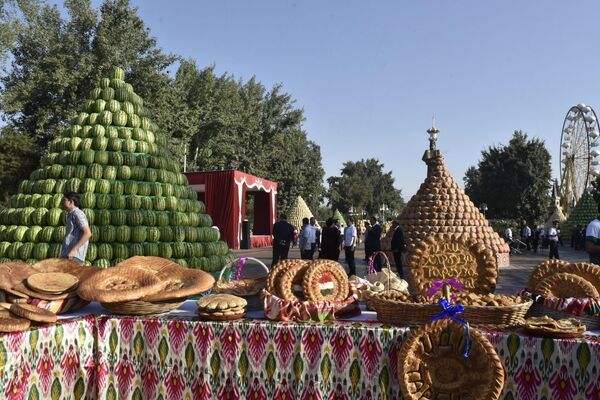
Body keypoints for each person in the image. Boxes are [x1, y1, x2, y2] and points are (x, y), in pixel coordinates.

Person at [60, 192, 92, 265]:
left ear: (71, 202)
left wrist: (73, 250)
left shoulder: (77, 213)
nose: (62, 202)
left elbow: (88, 233)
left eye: (64, 200)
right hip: (69, 255)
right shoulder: (71, 214)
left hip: (73, 257)